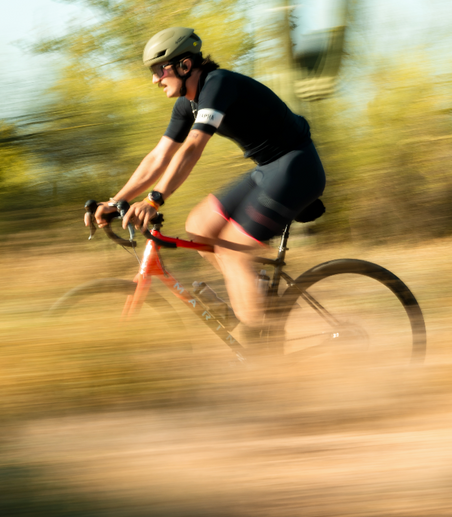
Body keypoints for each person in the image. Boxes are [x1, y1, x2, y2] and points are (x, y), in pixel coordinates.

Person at [89, 26, 326, 341]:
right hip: (269, 169)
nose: (154, 79)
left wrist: (154, 200)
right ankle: (253, 298)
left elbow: (192, 148)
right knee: (199, 225)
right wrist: (114, 201)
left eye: (160, 69)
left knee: (234, 251)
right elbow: (157, 158)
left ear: (185, 66)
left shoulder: (218, 85)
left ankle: (266, 350)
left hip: (297, 168)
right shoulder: (186, 104)